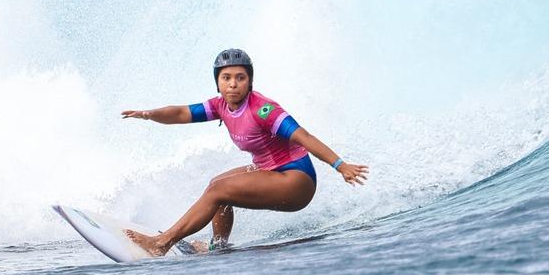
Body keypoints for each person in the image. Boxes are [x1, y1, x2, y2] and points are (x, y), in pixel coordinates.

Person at [120, 48, 368, 256]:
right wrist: (149, 114)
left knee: (219, 190)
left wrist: (340, 165)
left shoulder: (264, 110)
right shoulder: (221, 105)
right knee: (217, 184)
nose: (233, 84)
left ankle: (162, 243)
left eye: (240, 78)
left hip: (295, 180)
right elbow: (181, 113)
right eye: (226, 78)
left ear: (250, 81)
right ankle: (218, 246)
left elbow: (303, 136)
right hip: (269, 170)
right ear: (217, 82)